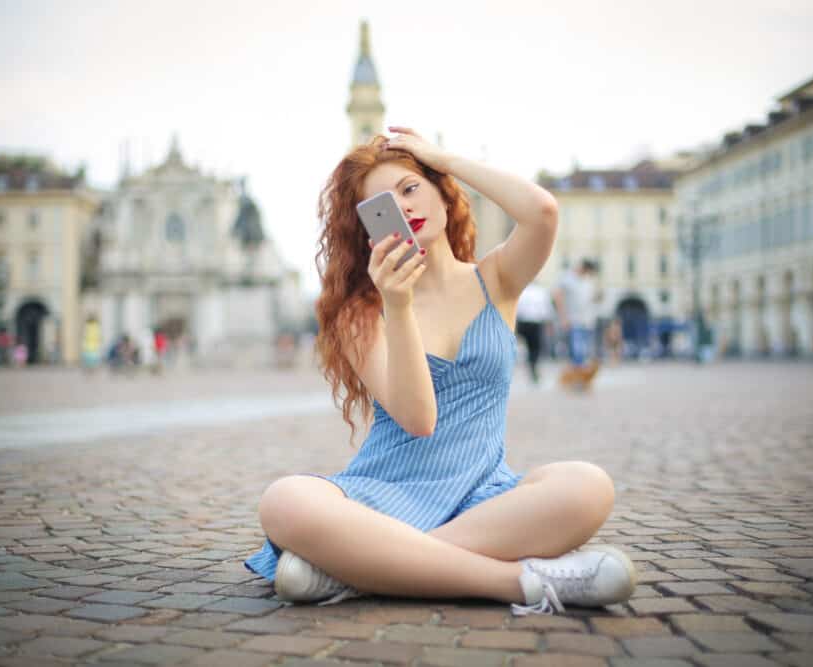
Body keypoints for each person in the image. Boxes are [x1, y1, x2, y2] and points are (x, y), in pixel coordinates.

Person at [245, 128, 636, 615]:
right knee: (285, 500)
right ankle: (520, 581)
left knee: (587, 485)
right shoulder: (360, 312)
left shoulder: (497, 278)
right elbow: (418, 418)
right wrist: (398, 304)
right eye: (382, 204)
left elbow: (542, 212)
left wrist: (443, 157)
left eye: (412, 187)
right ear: (369, 232)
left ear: (445, 195)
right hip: (381, 495)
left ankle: (359, 569)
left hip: (482, 499)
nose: (404, 205)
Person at [553, 258, 601, 389]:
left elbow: (590, 299)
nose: (589, 275)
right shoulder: (567, 278)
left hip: (588, 321)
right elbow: (557, 296)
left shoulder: (588, 280)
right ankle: (577, 380)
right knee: (577, 350)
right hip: (573, 320)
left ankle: (579, 379)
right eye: (588, 271)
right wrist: (563, 317)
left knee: (584, 351)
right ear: (583, 268)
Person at [515, 281, 554, 384]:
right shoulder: (541, 292)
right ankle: (533, 368)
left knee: (521, 346)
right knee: (535, 348)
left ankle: (528, 367)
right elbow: (547, 309)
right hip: (536, 322)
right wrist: (549, 325)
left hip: (522, 322)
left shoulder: (522, 290)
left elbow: (516, 307)